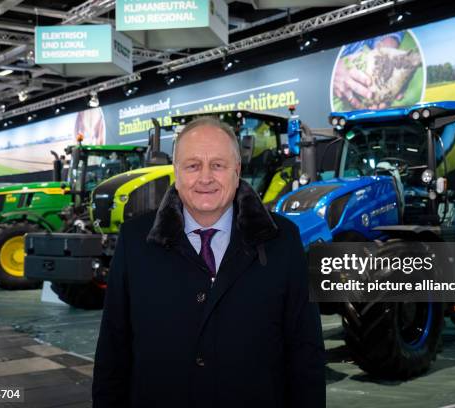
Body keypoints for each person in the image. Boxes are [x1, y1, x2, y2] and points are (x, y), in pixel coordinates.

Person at [92, 116, 326, 407]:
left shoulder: (282, 240)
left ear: (237, 172)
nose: (205, 178)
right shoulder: (135, 241)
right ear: (176, 173)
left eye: (218, 165)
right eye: (192, 166)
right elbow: (113, 353)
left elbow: (306, 352)